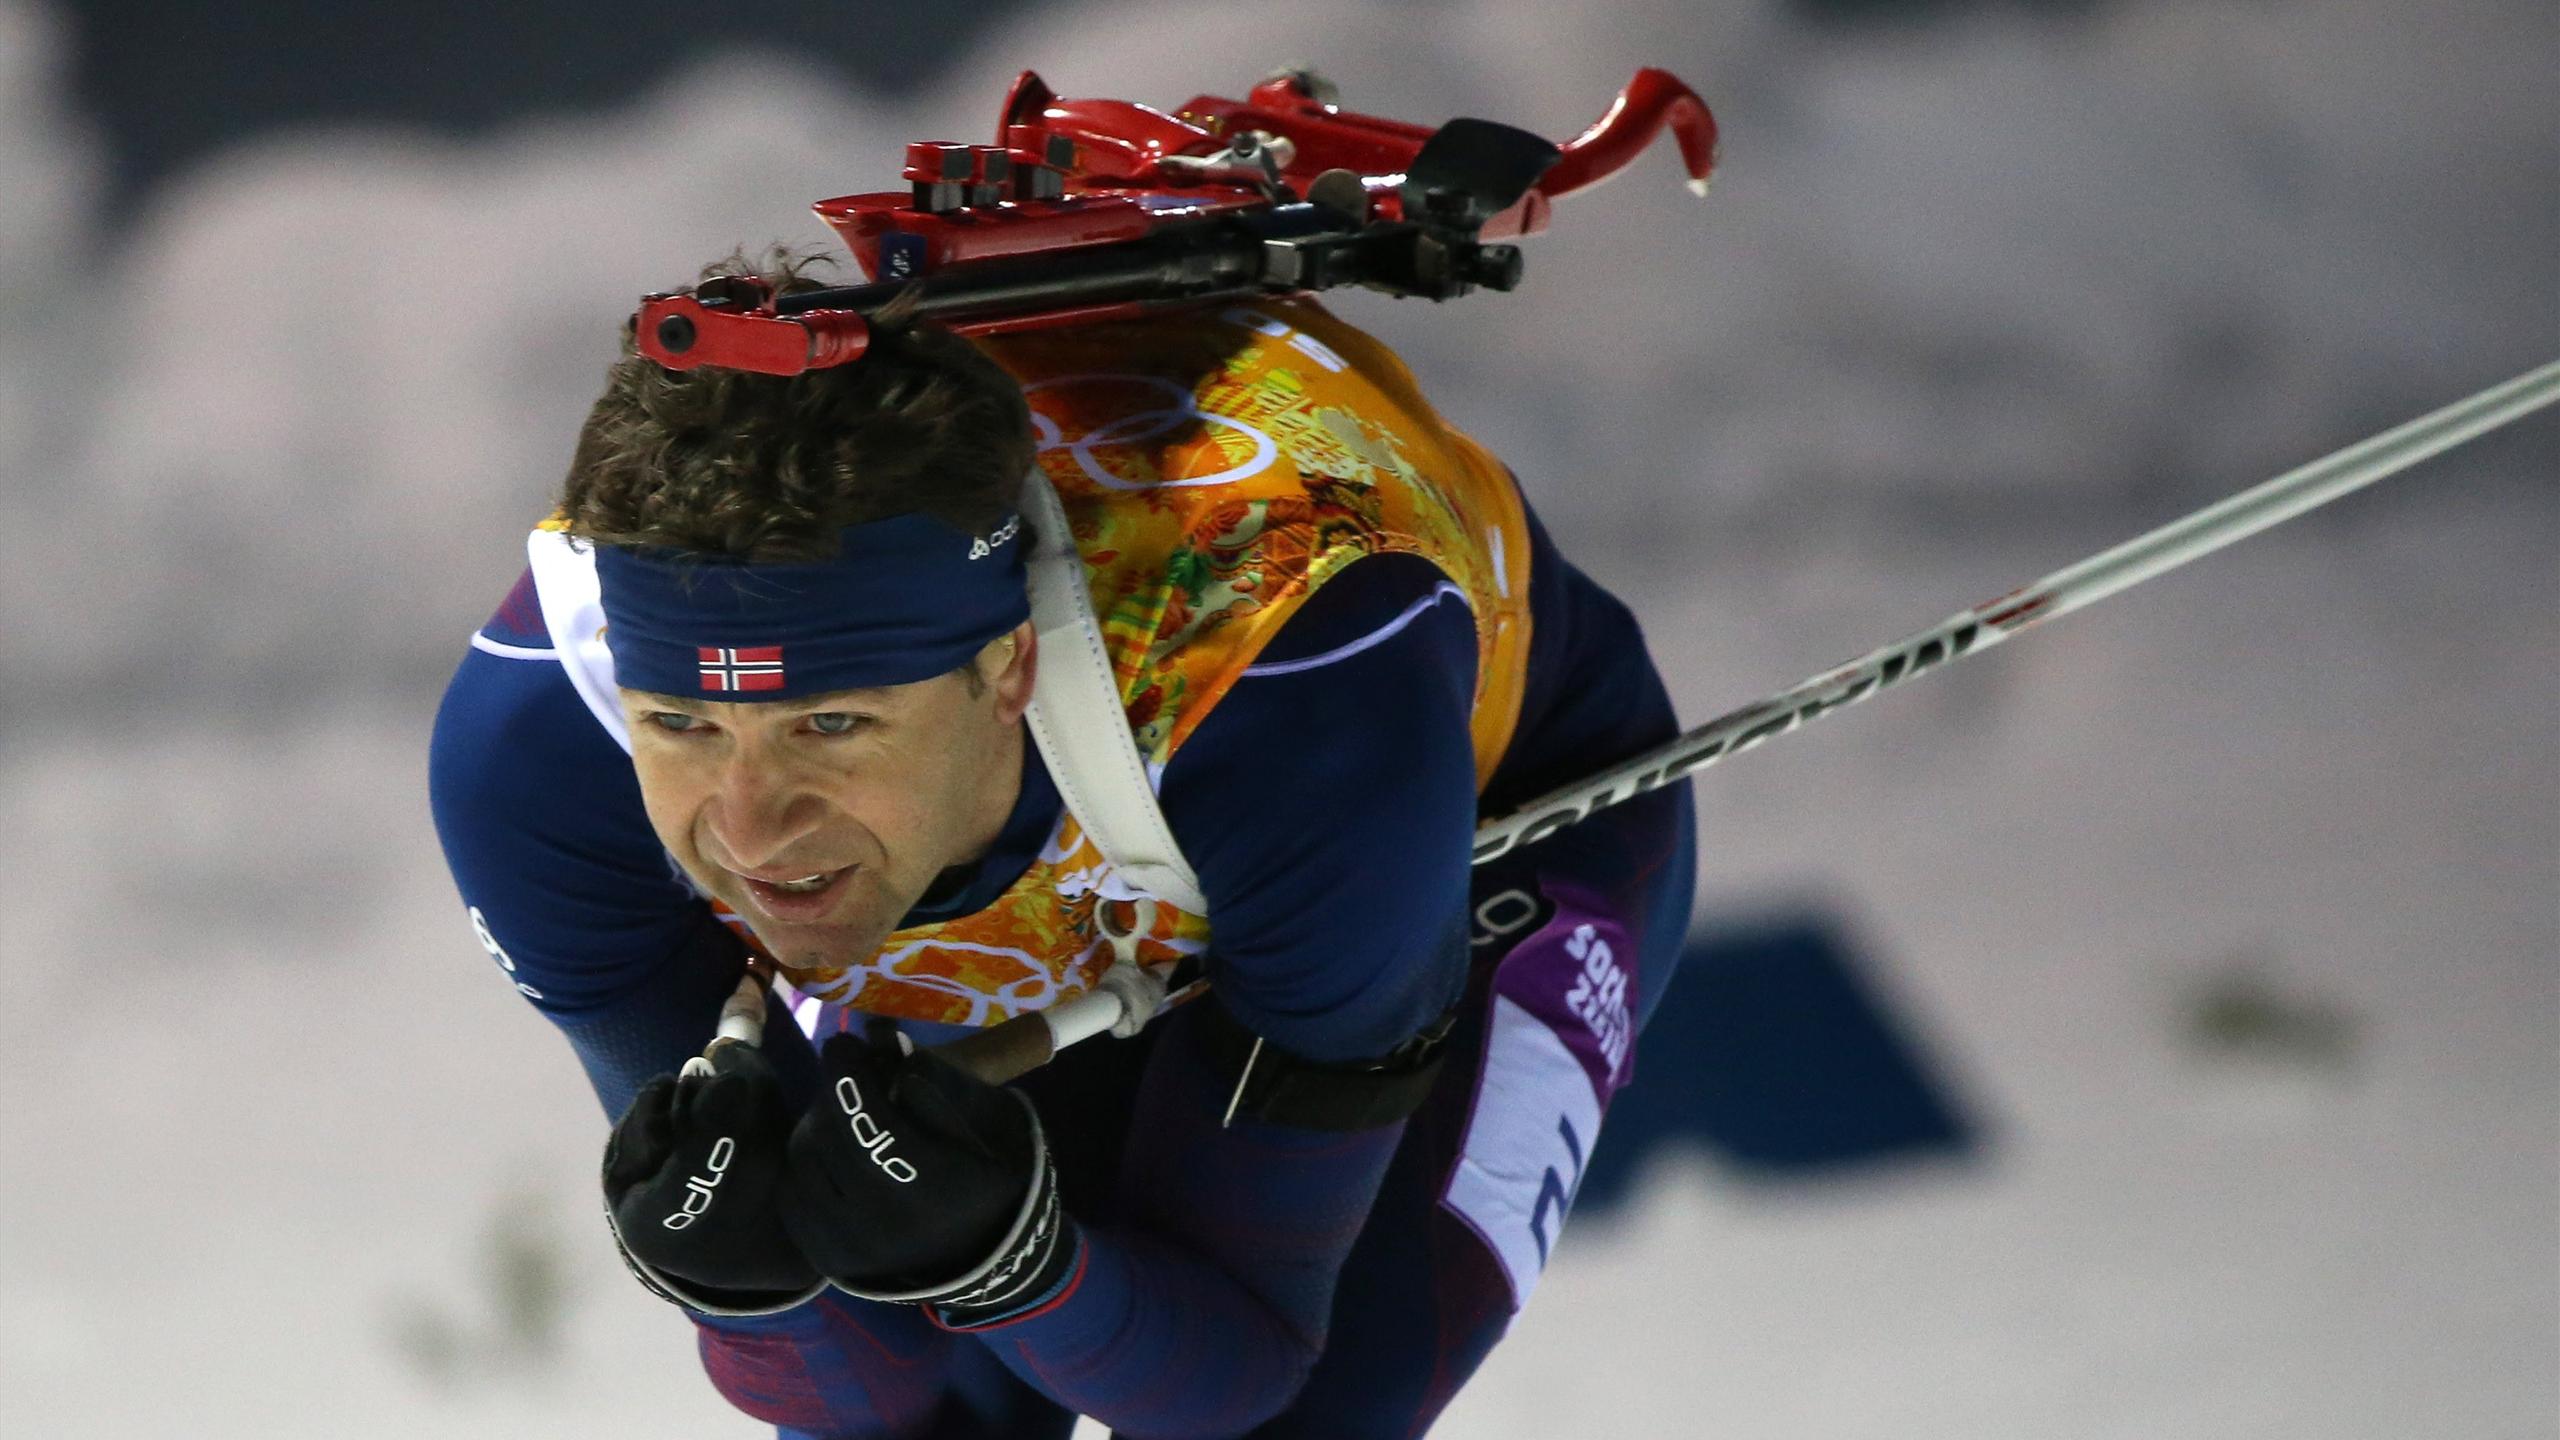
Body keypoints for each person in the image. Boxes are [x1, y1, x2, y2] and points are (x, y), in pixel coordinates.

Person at [428, 253, 1697, 1439]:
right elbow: (880, 1400)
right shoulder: (534, 765)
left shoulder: (1297, 698)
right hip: (1086, 855)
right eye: (682, 725)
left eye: (832, 725)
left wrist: (1015, 1267)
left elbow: (1243, 1371)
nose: (751, 827)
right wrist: (755, 1292)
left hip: (1454, 833)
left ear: (1009, 669)